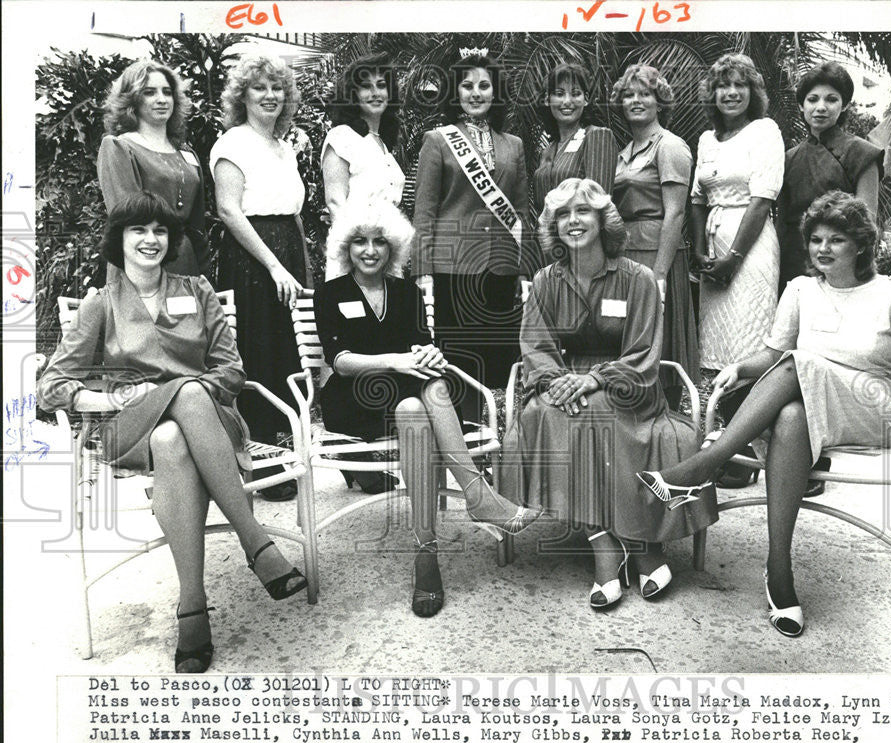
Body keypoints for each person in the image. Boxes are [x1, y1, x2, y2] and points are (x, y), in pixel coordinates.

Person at [639, 191, 891, 637]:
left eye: (837, 240)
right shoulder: (801, 290)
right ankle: (779, 572)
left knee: (799, 363)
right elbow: (770, 353)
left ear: (862, 245)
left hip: (877, 412)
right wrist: (739, 368)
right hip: (810, 407)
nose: (823, 249)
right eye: (816, 240)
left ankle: (701, 467)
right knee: (788, 415)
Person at [38, 192, 308, 673]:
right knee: (175, 408)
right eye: (138, 230)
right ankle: (256, 543)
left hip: (203, 424)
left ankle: (192, 608)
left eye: (160, 230)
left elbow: (230, 371)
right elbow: (51, 385)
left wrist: (186, 392)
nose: (150, 239)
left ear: (171, 239)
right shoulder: (102, 304)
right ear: (118, 239)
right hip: (130, 425)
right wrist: (97, 400)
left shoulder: (198, 290)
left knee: (174, 432)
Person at [316, 199, 542, 617]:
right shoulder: (332, 293)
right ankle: (478, 496)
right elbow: (340, 360)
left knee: (417, 403)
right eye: (361, 242)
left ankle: (426, 553)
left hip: (404, 395)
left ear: (393, 249)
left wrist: (426, 354)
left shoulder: (405, 292)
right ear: (346, 247)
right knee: (427, 391)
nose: (370, 251)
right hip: (353, 398)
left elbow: (424, 341)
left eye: (380, 242)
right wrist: (398, 360)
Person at [501, 178, 717, 611]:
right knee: (549, 411)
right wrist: (556, 382)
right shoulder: (545, 281)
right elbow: (537, 348)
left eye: (582, 211)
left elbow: (644, 351)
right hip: (564, 381)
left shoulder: (637, 279)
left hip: (629, 383)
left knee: (596, 407)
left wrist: (596, 379)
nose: (573, 221)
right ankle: (609, 545)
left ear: (602, 219)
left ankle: (634, 544)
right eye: (562, 214)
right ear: (553, 227)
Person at [211, 53, 308, 501]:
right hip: (253, 259)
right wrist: (273, 265)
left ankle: (290, 455)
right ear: (242, 96)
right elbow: (229, 210)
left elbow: (293, 212)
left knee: (290, 354)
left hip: (287, 248)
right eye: (259, 88)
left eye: (277, 88)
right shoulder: (234, 142)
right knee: (258, 353)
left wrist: (301, 264)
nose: (270, 96)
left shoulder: (283, 145)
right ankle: (259, 463)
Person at [411, 49, 533, 390]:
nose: (476, 93)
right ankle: (461, 436)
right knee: (459, 363)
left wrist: (523, 269)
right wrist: (422, 271)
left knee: (500, 365)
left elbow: (521, 212)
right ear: (456, 92)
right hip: (453, 268)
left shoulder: (515, 145)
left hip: (501, 268)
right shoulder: (437, 140)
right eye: (467, 86)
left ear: (495, 93)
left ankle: (497, 433)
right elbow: (424, 212)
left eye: (484, 85)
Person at [611, 64, 698, 409]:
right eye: (629, 94)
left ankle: (668, 425)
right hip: (626, 253)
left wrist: (659, 275)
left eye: (645, 93)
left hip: (656, 254)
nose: (636, 100)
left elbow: (676, 212)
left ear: (659, 101)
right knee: (629, 338)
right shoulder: (623, 152)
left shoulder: (670, 146)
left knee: (661, 342)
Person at [690, 53, 785, 370]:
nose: (731, 92)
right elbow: (697, 200)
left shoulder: (764, 131)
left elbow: (761, 201)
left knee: (749, 338)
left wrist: (734, 257)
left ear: (752, 92)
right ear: (712, 95)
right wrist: (701, 254)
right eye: (723, 86)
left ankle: (751, 416)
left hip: (749, 249)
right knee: (718, 343)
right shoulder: (706, 140)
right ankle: (722, 417)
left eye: (740, 85)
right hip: (714, 253)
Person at [778, 61, 885, 292]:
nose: (821, 107)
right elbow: (781, 223)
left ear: (845, 105)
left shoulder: (863, 153)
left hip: (843, 269)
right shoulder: (787, 159)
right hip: (792, 265)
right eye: (813, 99)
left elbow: (867, 223)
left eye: (831, 99)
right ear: (801, 105)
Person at [98, 60, 209, 278]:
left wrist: (203, 273)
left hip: (186, 262)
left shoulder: (186, 153)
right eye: (149, 92)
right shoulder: (119, 147)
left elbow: (198, 223)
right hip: (142, 262)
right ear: (132, 99)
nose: (161, 99)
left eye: (167, 92)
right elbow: (130, 219)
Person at [321, 51, 405, 277]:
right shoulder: (342, 137)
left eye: (381, 85)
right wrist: (361, 252)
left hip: (385, 254)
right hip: (355, 257)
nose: (376, 93)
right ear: (353, 94)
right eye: (366, 86)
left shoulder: (383, 145)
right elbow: (335, 202)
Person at [533, 62, 616, 201]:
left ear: (586, 99)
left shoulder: (597, 136)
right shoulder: (547, 150)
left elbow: (599, 203)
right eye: (559, 94)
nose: (567, 101)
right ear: (547, 100)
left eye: (575, 93)